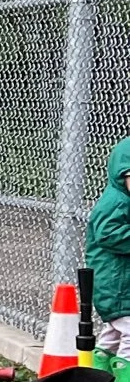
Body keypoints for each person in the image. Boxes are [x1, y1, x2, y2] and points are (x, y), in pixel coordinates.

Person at [84, 138, 130, 366]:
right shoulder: (116, 201)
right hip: (116, 285)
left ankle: (98, 380)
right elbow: (107, 234)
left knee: (113, 333)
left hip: (121, 283)